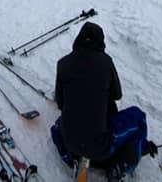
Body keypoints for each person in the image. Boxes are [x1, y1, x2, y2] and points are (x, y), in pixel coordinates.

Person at [50, 22, 153, 177]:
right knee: (139, 118)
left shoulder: (63, 63)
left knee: (59, 125)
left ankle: (70, 156)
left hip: (68, 141)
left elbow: (60, 102)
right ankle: (120, 166)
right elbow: (117, 94)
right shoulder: (105, 62)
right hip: (100, 147)